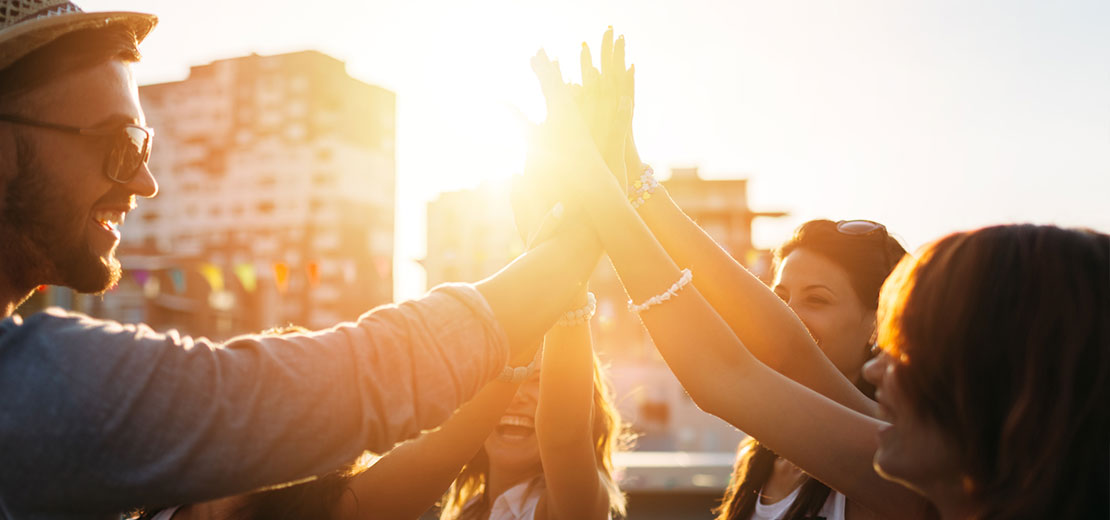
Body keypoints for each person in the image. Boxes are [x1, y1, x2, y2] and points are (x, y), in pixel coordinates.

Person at [0, 2, 604, 517]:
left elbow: (401, 459)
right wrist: (589, 223)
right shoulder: (40, 388)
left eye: (145, 146)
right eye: (119, 145)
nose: (146, 182)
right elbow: (364, 380)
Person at [529, 32, 1108, 519]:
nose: (883, 365)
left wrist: (597, 189)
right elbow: (777, 350)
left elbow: (726, 372)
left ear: (1015, 389)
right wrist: (629, 179)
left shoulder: (919, 495)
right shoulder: (941, 476)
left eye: (915, 352)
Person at [714, 219, 907, 520]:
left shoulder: (887, 463)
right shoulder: (755, 454)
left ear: (877, 323)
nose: (786, 316)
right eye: (779, 298)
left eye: (816, 300)